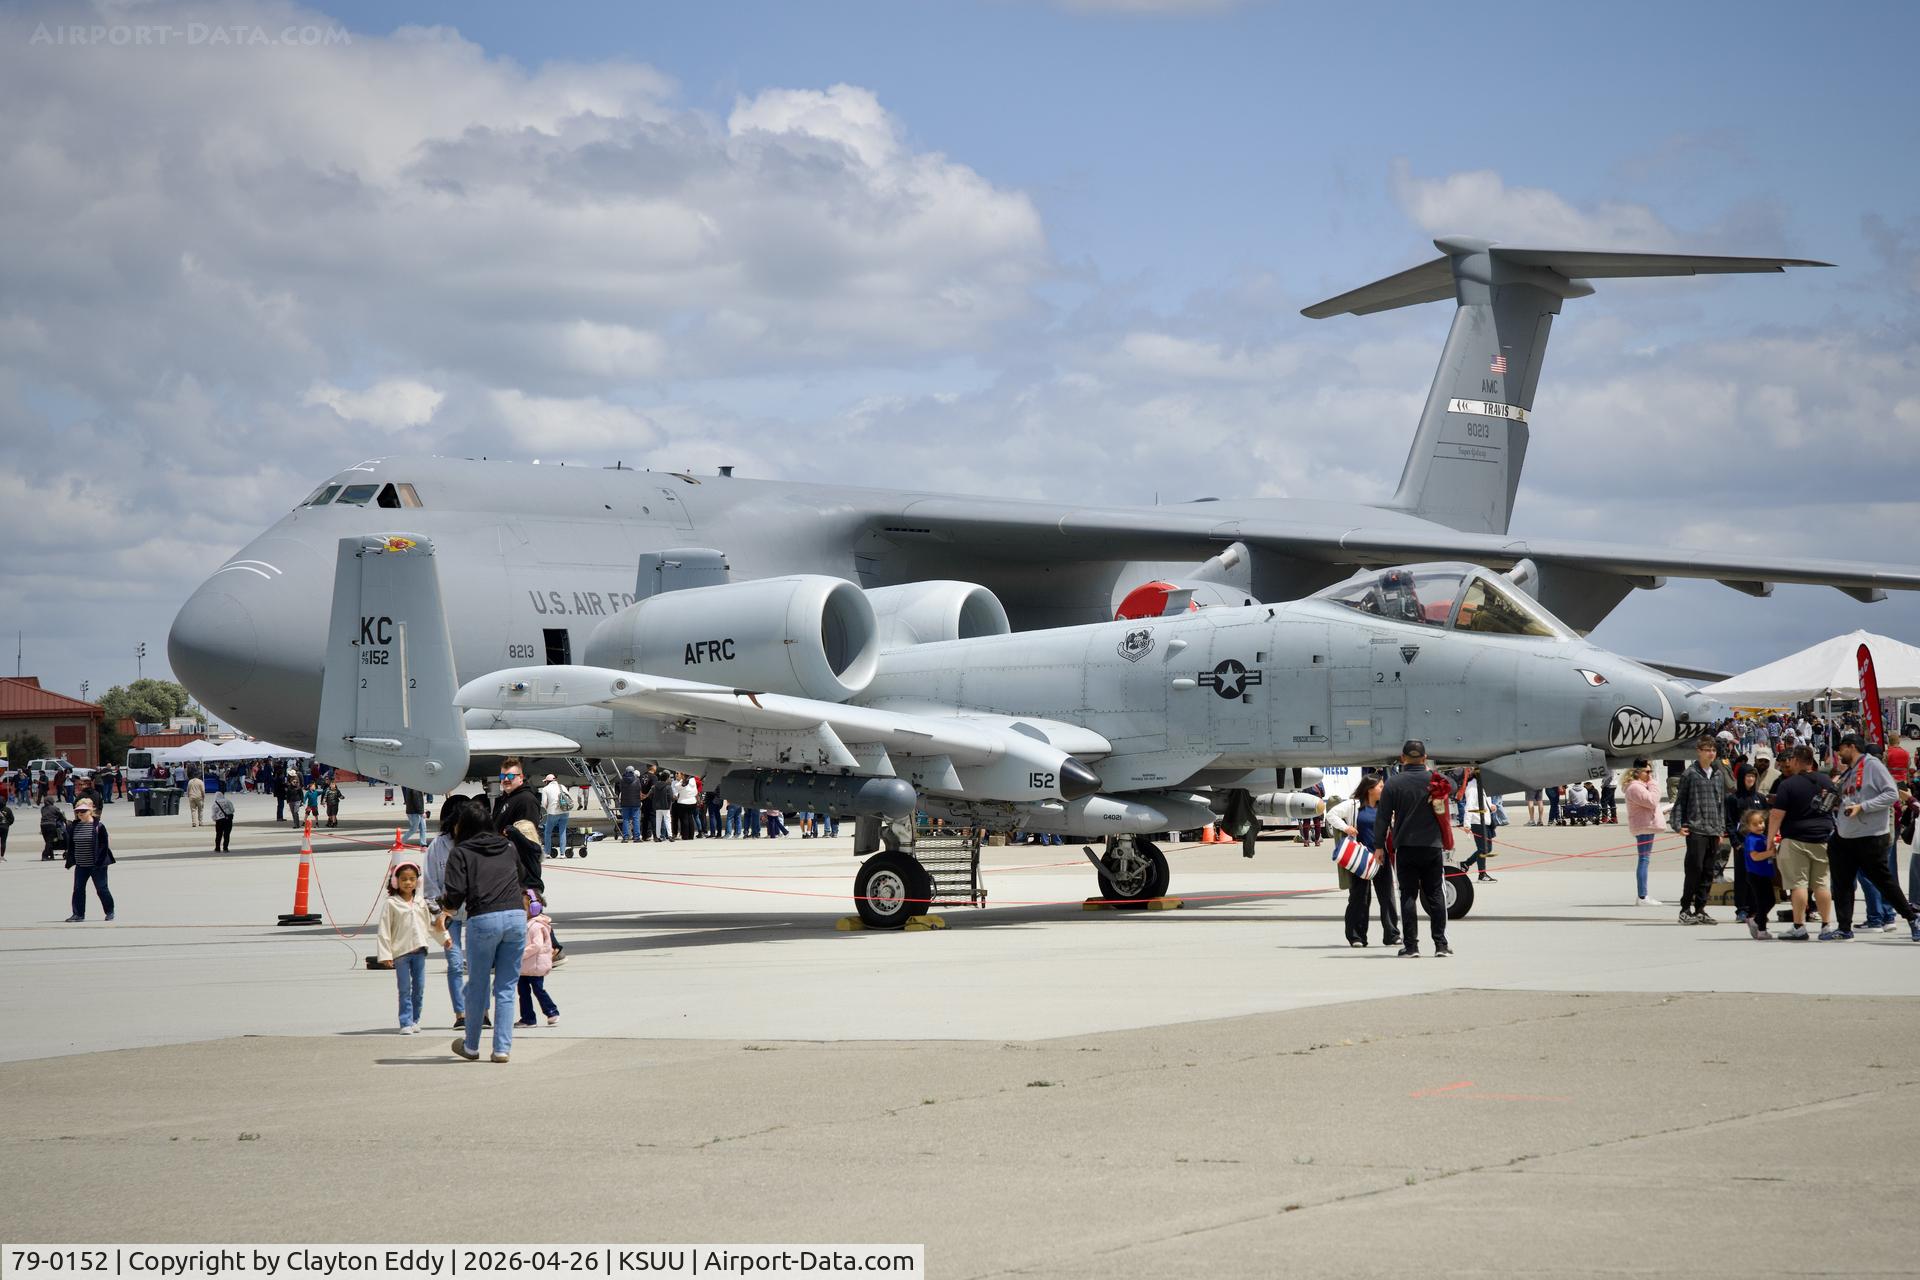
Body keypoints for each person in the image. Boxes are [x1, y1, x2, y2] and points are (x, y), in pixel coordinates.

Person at [438, 799, 531, 1063]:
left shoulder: (461, 852)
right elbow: (521, 877)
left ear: (463, 826)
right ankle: (501, 1049)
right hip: (515, 916)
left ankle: (471, 1046)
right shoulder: (508, 846)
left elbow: (455, 894)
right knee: (506, 987)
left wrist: (444, 909)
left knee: (478, 985)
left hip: (484, 918)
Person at [1828, 733, 1920, 941]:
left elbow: (1891, 794)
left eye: (1841, 749)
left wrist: (1863, 807)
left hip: (1869, 836)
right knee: (1842, 883)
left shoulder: (1872, 765)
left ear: (1851, 747)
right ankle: (1844, 928)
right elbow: (1852, 796)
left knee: (1883, 881)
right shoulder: (1849, 771)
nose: (1838, 753)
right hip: (1845, 836)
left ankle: (1912, 918)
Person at [1379, 740, 1451, 958]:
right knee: (1435, 894)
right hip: (1432, 846)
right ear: (1425, 757)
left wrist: (1378, 846)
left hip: (1406, 847)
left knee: (1408, 895)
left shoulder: (1393, 783)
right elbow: (1453, 786)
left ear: (1402, 758)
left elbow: (1382, 818)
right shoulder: (1436, 780)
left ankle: (1411, 946)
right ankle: (1441, 945)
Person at [1767, 745, 1839, 941]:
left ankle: (1799, 926)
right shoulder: (1826, 781)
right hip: (1823, 838)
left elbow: (1776, 815)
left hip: (1795, 838)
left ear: (1796, 761)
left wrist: (1770, 840)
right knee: (1821, 884)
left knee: (1798, 884)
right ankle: (1826, 925)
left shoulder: (1788, 784)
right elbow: (1835, 805)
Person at [1326, 776, 1398, 948]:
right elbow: (1331, 814)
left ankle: (1392, 935)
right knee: (1359, 898)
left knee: (1387, 898)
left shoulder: (1385, 806)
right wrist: (1346, 828)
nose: (1383, 789)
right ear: (1370, 789)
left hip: (1381, 857)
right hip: (1360, 859)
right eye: (1380, 786)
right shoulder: (1353, 805)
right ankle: (1356, 936)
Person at [423, 794, 476, 1030]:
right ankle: (460, 1013)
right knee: (455, 964)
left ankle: (480, 1011)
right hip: (448, 914)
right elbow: (430, 884)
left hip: (474, 912)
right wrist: (438, 914)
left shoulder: (475, 843)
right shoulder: (438, 846)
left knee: (477, 964)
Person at [376, 859, 446, 1034]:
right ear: (395, 882)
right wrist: (385, 955)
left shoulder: (421, 902)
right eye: (404, 879)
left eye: (412, 879)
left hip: (420, 952)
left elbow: (429, 926)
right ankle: (405, 1022)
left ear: (418, 881)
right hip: (401, 953)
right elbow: (384, 930)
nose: (408, 882)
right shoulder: (391, 903)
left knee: (419, 988)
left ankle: (415, 1019)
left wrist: (444, 938)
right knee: (404, 989)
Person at [1668, 739, 1732, 925]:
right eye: (1707, 750)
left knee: (1708, 871)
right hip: (1696, 828)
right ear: (1699, 751)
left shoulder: (1718, 774)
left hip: (1713, 829)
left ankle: (1700, 909)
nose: (1711, 753)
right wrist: (1677, 825)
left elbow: (1720, 804)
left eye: (1713, 750)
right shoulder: (1690, 774)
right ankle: (1685, 909)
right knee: (1694, 869)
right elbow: (1680, 801)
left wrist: (1721, 828)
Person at [62, 798, 115, 922]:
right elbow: (71, 845)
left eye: (83, 811)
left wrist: (99, 862)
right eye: (78, 811)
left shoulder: (98, 826)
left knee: (101, 889)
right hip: (81, 864)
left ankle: (110, 911)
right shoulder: (74, 826)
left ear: (90, 811)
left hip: (97, 865)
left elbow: (104, 845)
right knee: (78, 889)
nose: (80, 814)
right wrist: (70, 859)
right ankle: (78, 914)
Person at [516, 890, 561, 1028]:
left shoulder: (536, 926)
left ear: (534, 908)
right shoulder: (526, 923)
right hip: (524, 967)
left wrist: (519, 954)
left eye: (523, 907)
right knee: (523, 993)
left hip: (535, 966)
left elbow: (536, 945)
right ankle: (528, 1018)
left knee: (538, 990)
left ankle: (552, 1011)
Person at [1622, 762, 1663, 906]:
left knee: (1645, 859)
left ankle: (1643, 895)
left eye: (1650, 772)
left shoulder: (1638, 786)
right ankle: (1642, 896)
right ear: (1637, 772)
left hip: (1646, 824)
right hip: (1644, 826)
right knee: (1644, 860)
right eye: (1647, 772)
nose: (1649, 775)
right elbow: (1652, 801)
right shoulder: (1635, 787)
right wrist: (1653, 783)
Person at [1736, 808, 1778, 939]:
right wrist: (1770, 853)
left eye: (1761, 822)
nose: (1760, 826)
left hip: (1765, 873)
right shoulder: (1751, 839)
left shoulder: (1763, 837)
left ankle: (1755, 920)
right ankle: (1761, 929)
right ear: (1748, 826)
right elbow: (1755, 856)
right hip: (1756, 874)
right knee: (1761, 902)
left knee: (1771, 900)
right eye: (1755, 824)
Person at [1459, 767, 1497, 883]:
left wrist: (1491, 806)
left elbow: (1485, 800)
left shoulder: (1482, 785)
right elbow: (1469, 806)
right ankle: (1482, 874)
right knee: (1483, 849)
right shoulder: (1472, 787)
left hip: (1486, 820)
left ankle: (1466, 863)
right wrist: (1467, 824)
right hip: (1477, 821)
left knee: (1487, 849)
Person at [538, 773, 570, 857]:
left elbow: (544, 803)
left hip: (553, 813)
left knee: (548, 832)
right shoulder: (562, 786)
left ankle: (547, 852)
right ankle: (562, 853)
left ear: (547, 782)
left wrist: (547, 810)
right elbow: (568, 798)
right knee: (562, 831)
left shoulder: (545, 789)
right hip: (565, 812)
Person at [616, 766, 644, 842]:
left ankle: (625, 837)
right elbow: (639, 789)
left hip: (625, 802)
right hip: (635, 802)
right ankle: (636, 837)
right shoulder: (637, 780)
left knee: (626, 819)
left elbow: (621, 789)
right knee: (636, 819)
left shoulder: (622, 780)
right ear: (633, 771)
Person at [672, 772, 699, 842]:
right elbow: (696, 792)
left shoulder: (679, 784)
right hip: (692, 801)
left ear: (683, 776)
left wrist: (681, 780)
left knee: (684, 819)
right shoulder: (693, 781)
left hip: (683, 802)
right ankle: (691, 835)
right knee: (690, 818)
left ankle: (685, 836)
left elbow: (677, 788)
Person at [0, 791, 11, 859]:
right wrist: (7, 824)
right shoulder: (7, 809)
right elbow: (12, 819)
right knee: (3, 842)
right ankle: (2, 856)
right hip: (4, 827)